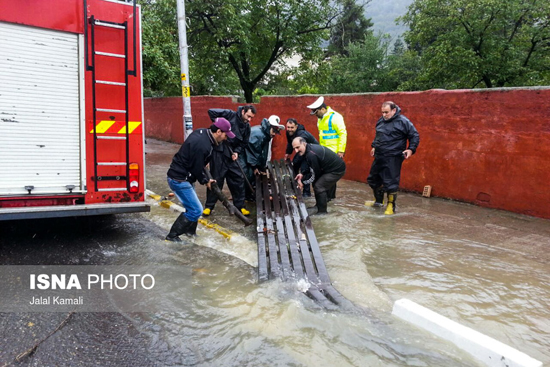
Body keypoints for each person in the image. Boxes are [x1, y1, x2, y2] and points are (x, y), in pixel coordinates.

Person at [165, 118, 234, 241]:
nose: (225, 138)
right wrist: (205, 181)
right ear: (218, 131)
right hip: (179, 179)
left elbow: (197, 161)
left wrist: (202, 162)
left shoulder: (203, 133)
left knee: (191, 207)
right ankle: (172, 236)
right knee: (196, 210)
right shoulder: (203, 145)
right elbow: (197, 168)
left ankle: (190, 232)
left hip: (184, 176)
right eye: (225, 135)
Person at [366, 101, 419, 215]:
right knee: (373, 179)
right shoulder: (381, 120)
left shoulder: (403, 122)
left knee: (391, 182)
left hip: (393, 156)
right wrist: (374, 146)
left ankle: (391, 205)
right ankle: (378, 201)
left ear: (394, 110)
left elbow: (414, 135)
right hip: (379, 155)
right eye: (382, 112)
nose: (384, 115)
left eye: (386, 112)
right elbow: (378, 135)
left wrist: (411, 149)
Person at [203, 105, 256, 217]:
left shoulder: (247, 127)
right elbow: (211, 111)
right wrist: (220, 125)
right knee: (216, 179)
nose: (249, 119)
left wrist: (237, 152)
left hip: (232, 155)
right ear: (243, 111)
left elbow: (244, 143)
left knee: (238, 179)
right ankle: (209, 206)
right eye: (248, 116)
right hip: (219, 152)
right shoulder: (229, 114)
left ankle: (240, 206)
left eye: (251, 117)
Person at [306, 96, 347, 200]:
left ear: (323, 109)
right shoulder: (320, 119)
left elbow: (342, 133)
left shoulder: (335, 117)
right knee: (326, 175)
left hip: (334, 152)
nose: (315, 115)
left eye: (316, 112)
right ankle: (328, 198)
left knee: (330, 176)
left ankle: (330, 198)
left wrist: (341, 150)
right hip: (324, 151)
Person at [292, 137, 346, 215]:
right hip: (328, 168)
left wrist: (303, 182)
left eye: (298, 147)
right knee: (317, 184)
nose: (296, 151)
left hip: (336, 170)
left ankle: (322, 212)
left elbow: (315, 174)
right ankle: (318, 206)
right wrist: (302, 174)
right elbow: (309, 166)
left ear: (304, 143)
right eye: (294, 148)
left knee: (319, 186)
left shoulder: (311, 153)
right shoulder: (307, 149)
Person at [243, 115, 285, 199]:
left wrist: (261, 167)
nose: (274, 134)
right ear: (269, 126)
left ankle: (251, 193)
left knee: (253, 175)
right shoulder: (259, 135)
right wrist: (255, 167)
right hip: (244, 157)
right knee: (248, 175)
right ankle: (247, 196)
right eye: (274, 131)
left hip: (249, 158)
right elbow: (253, 153)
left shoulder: (265, 134)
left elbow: (262, 154)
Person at [284, 118, 319, 197]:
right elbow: (290, 143)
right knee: (295, 163)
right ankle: (296, 183)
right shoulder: (289, 132)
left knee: (304, 170)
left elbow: (304, 152)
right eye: (288, 127)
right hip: (302, 151)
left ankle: (306, 193)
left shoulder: (302, 134)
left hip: (311, 152)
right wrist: (288, 153)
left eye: (292, 127)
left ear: (296, 126)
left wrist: (303, 169)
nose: (290, 129)